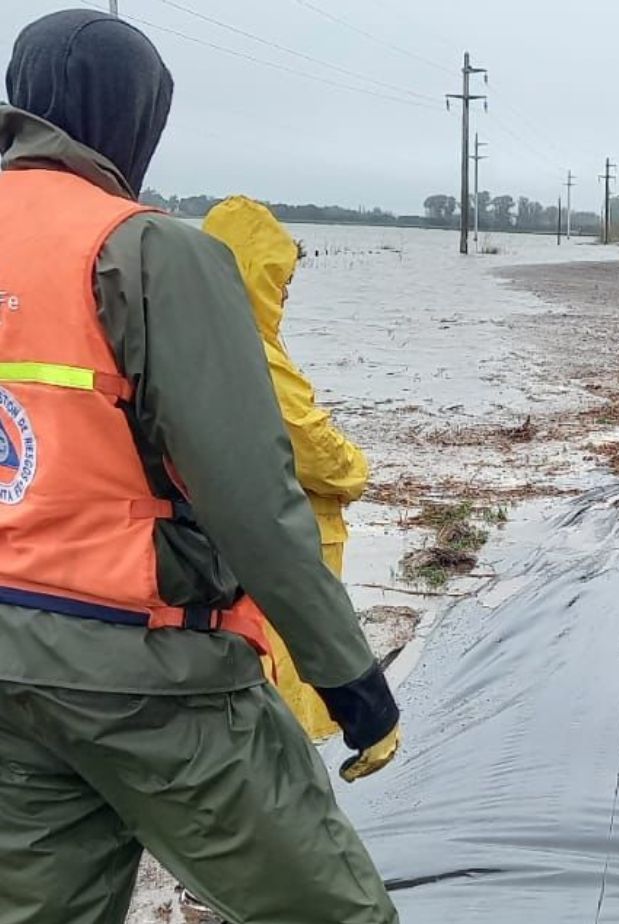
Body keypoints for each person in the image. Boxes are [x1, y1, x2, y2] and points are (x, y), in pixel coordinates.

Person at [0, 11, 400, 923]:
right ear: (137, 116)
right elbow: (251, 496)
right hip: (147, 676)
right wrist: (348, 676)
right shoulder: (150, 250)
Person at [204, 196, 371, 741]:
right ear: (254, 273)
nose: (286, 291)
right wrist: (355, 470)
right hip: (289, 545)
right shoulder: (249, 351)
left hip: (238, 550)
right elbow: (310, 444)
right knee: (287, 683)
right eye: (281, 277)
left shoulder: (192, 341)